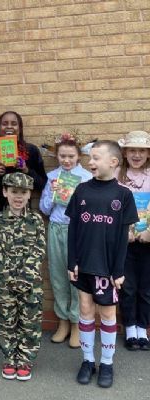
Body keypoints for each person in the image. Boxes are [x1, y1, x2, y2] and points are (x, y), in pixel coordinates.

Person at [66, 140, 138, 388]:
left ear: (113, 162)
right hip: (84, 264)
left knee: (107, 313)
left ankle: (106, 363)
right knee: (85, 310)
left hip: (107, 268)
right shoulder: (81, 190)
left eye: (96, 158)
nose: (91, 162)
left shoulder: (123, 195)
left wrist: (118, 270)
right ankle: (88, 360)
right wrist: (71, 261)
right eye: (90, 157)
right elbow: (73, 228)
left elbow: (123, 237)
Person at [0, 111, 47, 283]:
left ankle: (23, 299)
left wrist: (26, 170)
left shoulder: (31, 151)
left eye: (14, 123)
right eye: (5, 123)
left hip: (23, 215)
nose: (9, 127)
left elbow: (42, 184)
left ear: (20, 128)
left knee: (25, 260)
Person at [39, 133, 92, 348]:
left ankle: (77, 323)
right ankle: (63, 322)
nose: (67, 160)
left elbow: (92, 209)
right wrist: (52, 194)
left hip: (78, 231)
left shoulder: (86, 177)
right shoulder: (52, 176)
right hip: (56, 229)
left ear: (79, 156)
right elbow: (44, 209)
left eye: (71, 156)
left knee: (76, 276)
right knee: (58, 275)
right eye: (63, 156)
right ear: (57, 156)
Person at [0, 172, 45, 381]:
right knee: (6, 320)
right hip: (5, 281)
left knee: (30, 320)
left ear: (29, 194)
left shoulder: (36, 219)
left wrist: (25, 276)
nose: (18, 196)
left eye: (23, 192)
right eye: (14, 191)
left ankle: (25, 359)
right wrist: (9, 276)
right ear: (5, 192)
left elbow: (39, 249)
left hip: (31, 281)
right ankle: (9, 357)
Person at [116, 130, 150, 351]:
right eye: (132, 150)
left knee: (146, 288)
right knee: (127, 287)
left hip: (148, 240)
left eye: (142, 151)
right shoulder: (117, 176)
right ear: (125, 152)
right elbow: (112, 207)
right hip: (125, 242)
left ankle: (142, 329)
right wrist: (123, 231)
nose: (137, 155)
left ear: (148, 154)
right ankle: (129, 329)